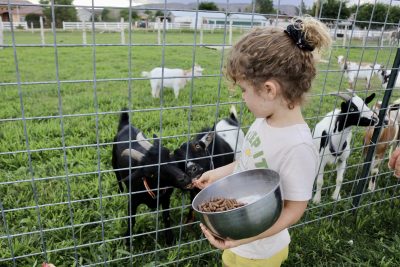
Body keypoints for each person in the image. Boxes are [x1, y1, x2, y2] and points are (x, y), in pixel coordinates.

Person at [193, 16, 332, 267]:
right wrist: (218, 174)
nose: (243, 98)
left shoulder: (297, 146)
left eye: (245, 90)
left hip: (262, 252)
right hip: (240, 240)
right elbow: (249, 164)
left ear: (269, 90)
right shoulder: (264, 120)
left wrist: (247, 238)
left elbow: (295, 209)